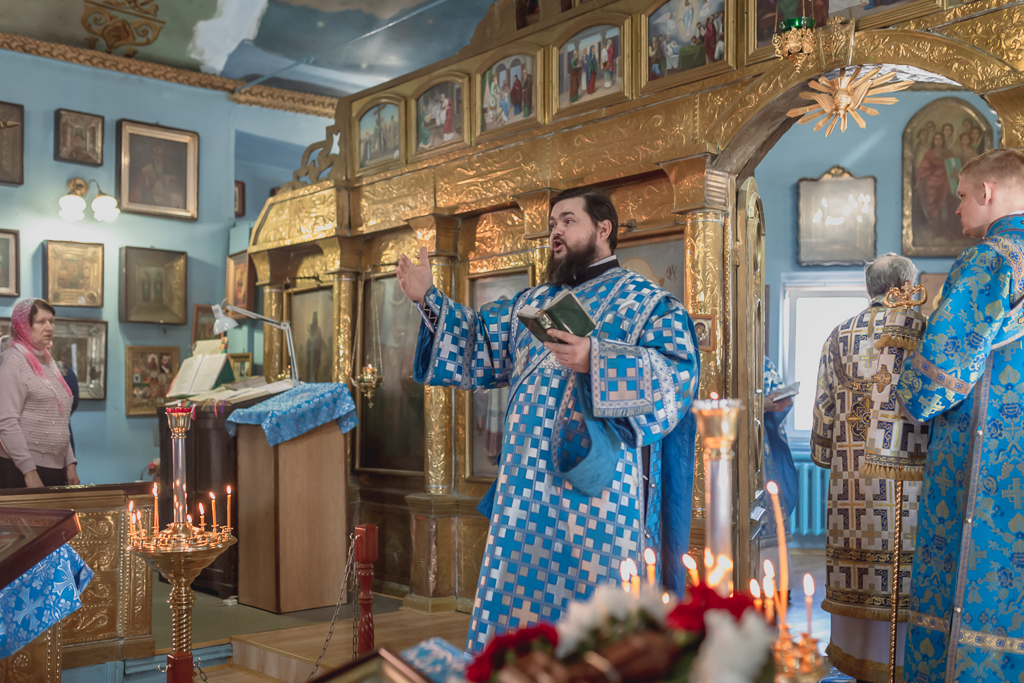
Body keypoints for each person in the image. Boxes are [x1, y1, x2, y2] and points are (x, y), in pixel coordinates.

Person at [397, 187, 700, 653]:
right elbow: (478, 343)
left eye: (568, 221)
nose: (555, 231)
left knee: (593, 622)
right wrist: (428, 300)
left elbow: (677, 376)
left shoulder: (647, 303)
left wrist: (596, 358)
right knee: (515, 614)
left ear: (604, 228)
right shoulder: (534, 302)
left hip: (596, 495)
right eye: (552, 223)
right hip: (524, 491)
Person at [898, 149, 1024, 682]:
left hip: (985, 453)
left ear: (988, 192)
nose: (956, 208)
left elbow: (940, 373)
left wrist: (907, 393)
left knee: (972, 575)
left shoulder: (987, 260)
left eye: (962, 195)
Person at [811, 254, 923, 683]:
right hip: (914, 480)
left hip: (854, 480)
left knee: (859, 567)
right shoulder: (923, 331)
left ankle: (858, 660)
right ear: (908, 285)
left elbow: (824, 406)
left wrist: (827, 453)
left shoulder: (839, 334)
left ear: (869, 288)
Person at [0, 299, 79, 488]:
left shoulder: (49, 362)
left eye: (51, 321)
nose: (49, 327)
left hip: (55, 468)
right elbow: (6, 422)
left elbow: (59, 420)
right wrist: (29, 472)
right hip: (21, 470)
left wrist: (70, 463)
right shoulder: (12, 361)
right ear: (24, 326)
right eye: (41, 322)